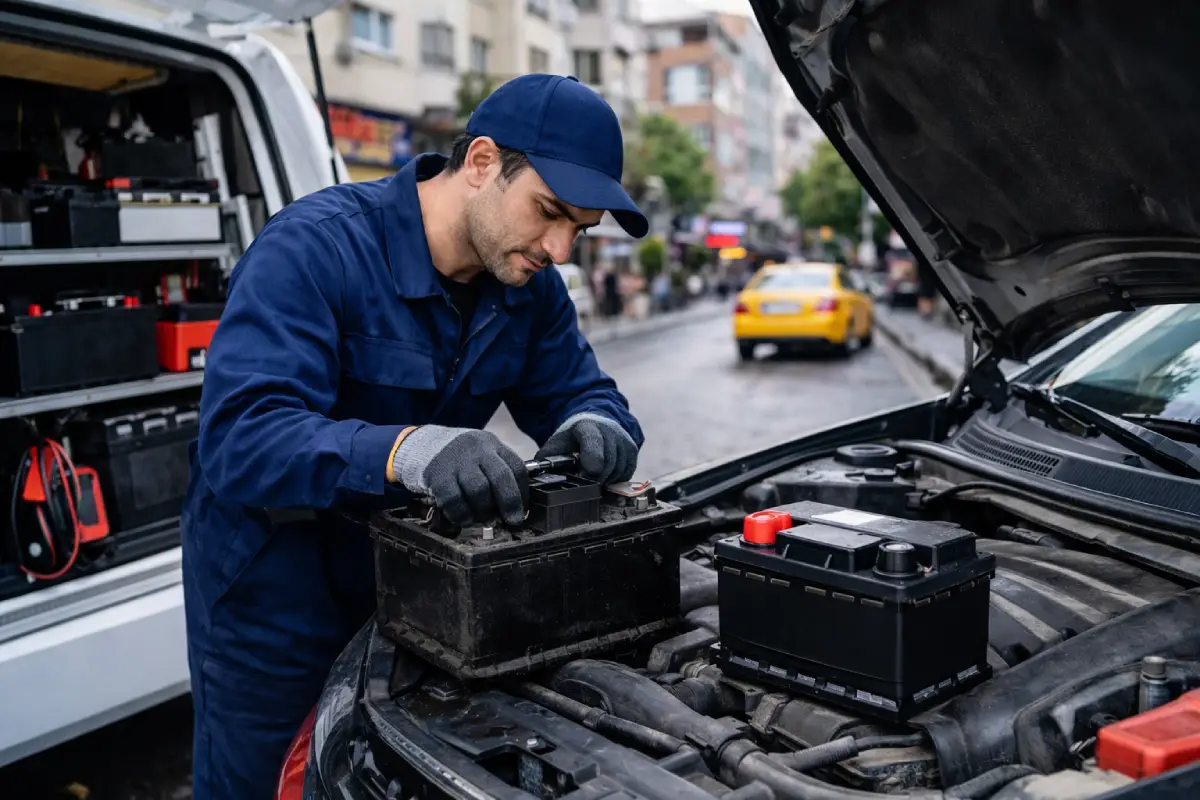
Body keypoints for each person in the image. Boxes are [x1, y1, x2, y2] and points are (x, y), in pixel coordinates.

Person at [181, 74, 649, 800]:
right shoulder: (315, 248)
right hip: (274, 595)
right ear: (484, 162)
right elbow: (243, 437)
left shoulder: (530, 290)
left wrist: (598, 426)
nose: (560, 249)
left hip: (419, 592)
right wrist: (406, 452)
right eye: (550, 213)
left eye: (580, 230)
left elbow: (582, 392)